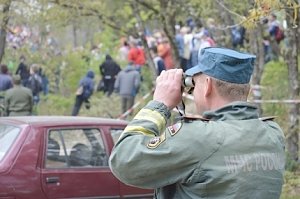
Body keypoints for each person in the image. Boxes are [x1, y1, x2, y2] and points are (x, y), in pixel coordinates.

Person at [109, 47, 286, 199]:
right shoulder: (272, 133)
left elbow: (123, 160)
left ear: (208, 85)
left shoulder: (201, 137)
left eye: (194, 84)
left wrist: (159, 105)